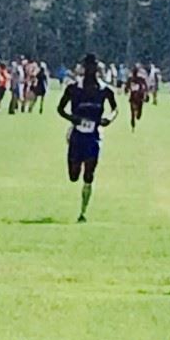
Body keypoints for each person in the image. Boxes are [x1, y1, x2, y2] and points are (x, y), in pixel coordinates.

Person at [57, 53, 118, 223]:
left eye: (94, 67)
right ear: (84, 69)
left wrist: (109, 119)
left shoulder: (105, 90)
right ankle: (76, 174)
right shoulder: (73, 89)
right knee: (73, 175)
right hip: (76, 135)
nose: (91, 71)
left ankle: (83, 212)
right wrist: (72, 118)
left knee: (89, 173)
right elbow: (60, 109)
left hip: (94, 136)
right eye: (88, 67)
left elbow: (115, 109)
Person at [127, 66, 147, 132]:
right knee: (132, 112)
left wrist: (145, 92)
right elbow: (127, 86)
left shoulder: (140, 78)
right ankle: (133, 124)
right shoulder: (131, 78)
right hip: (133, 96)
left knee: (136, 114)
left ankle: (137, 114)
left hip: (138, 96)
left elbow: (145, 85)